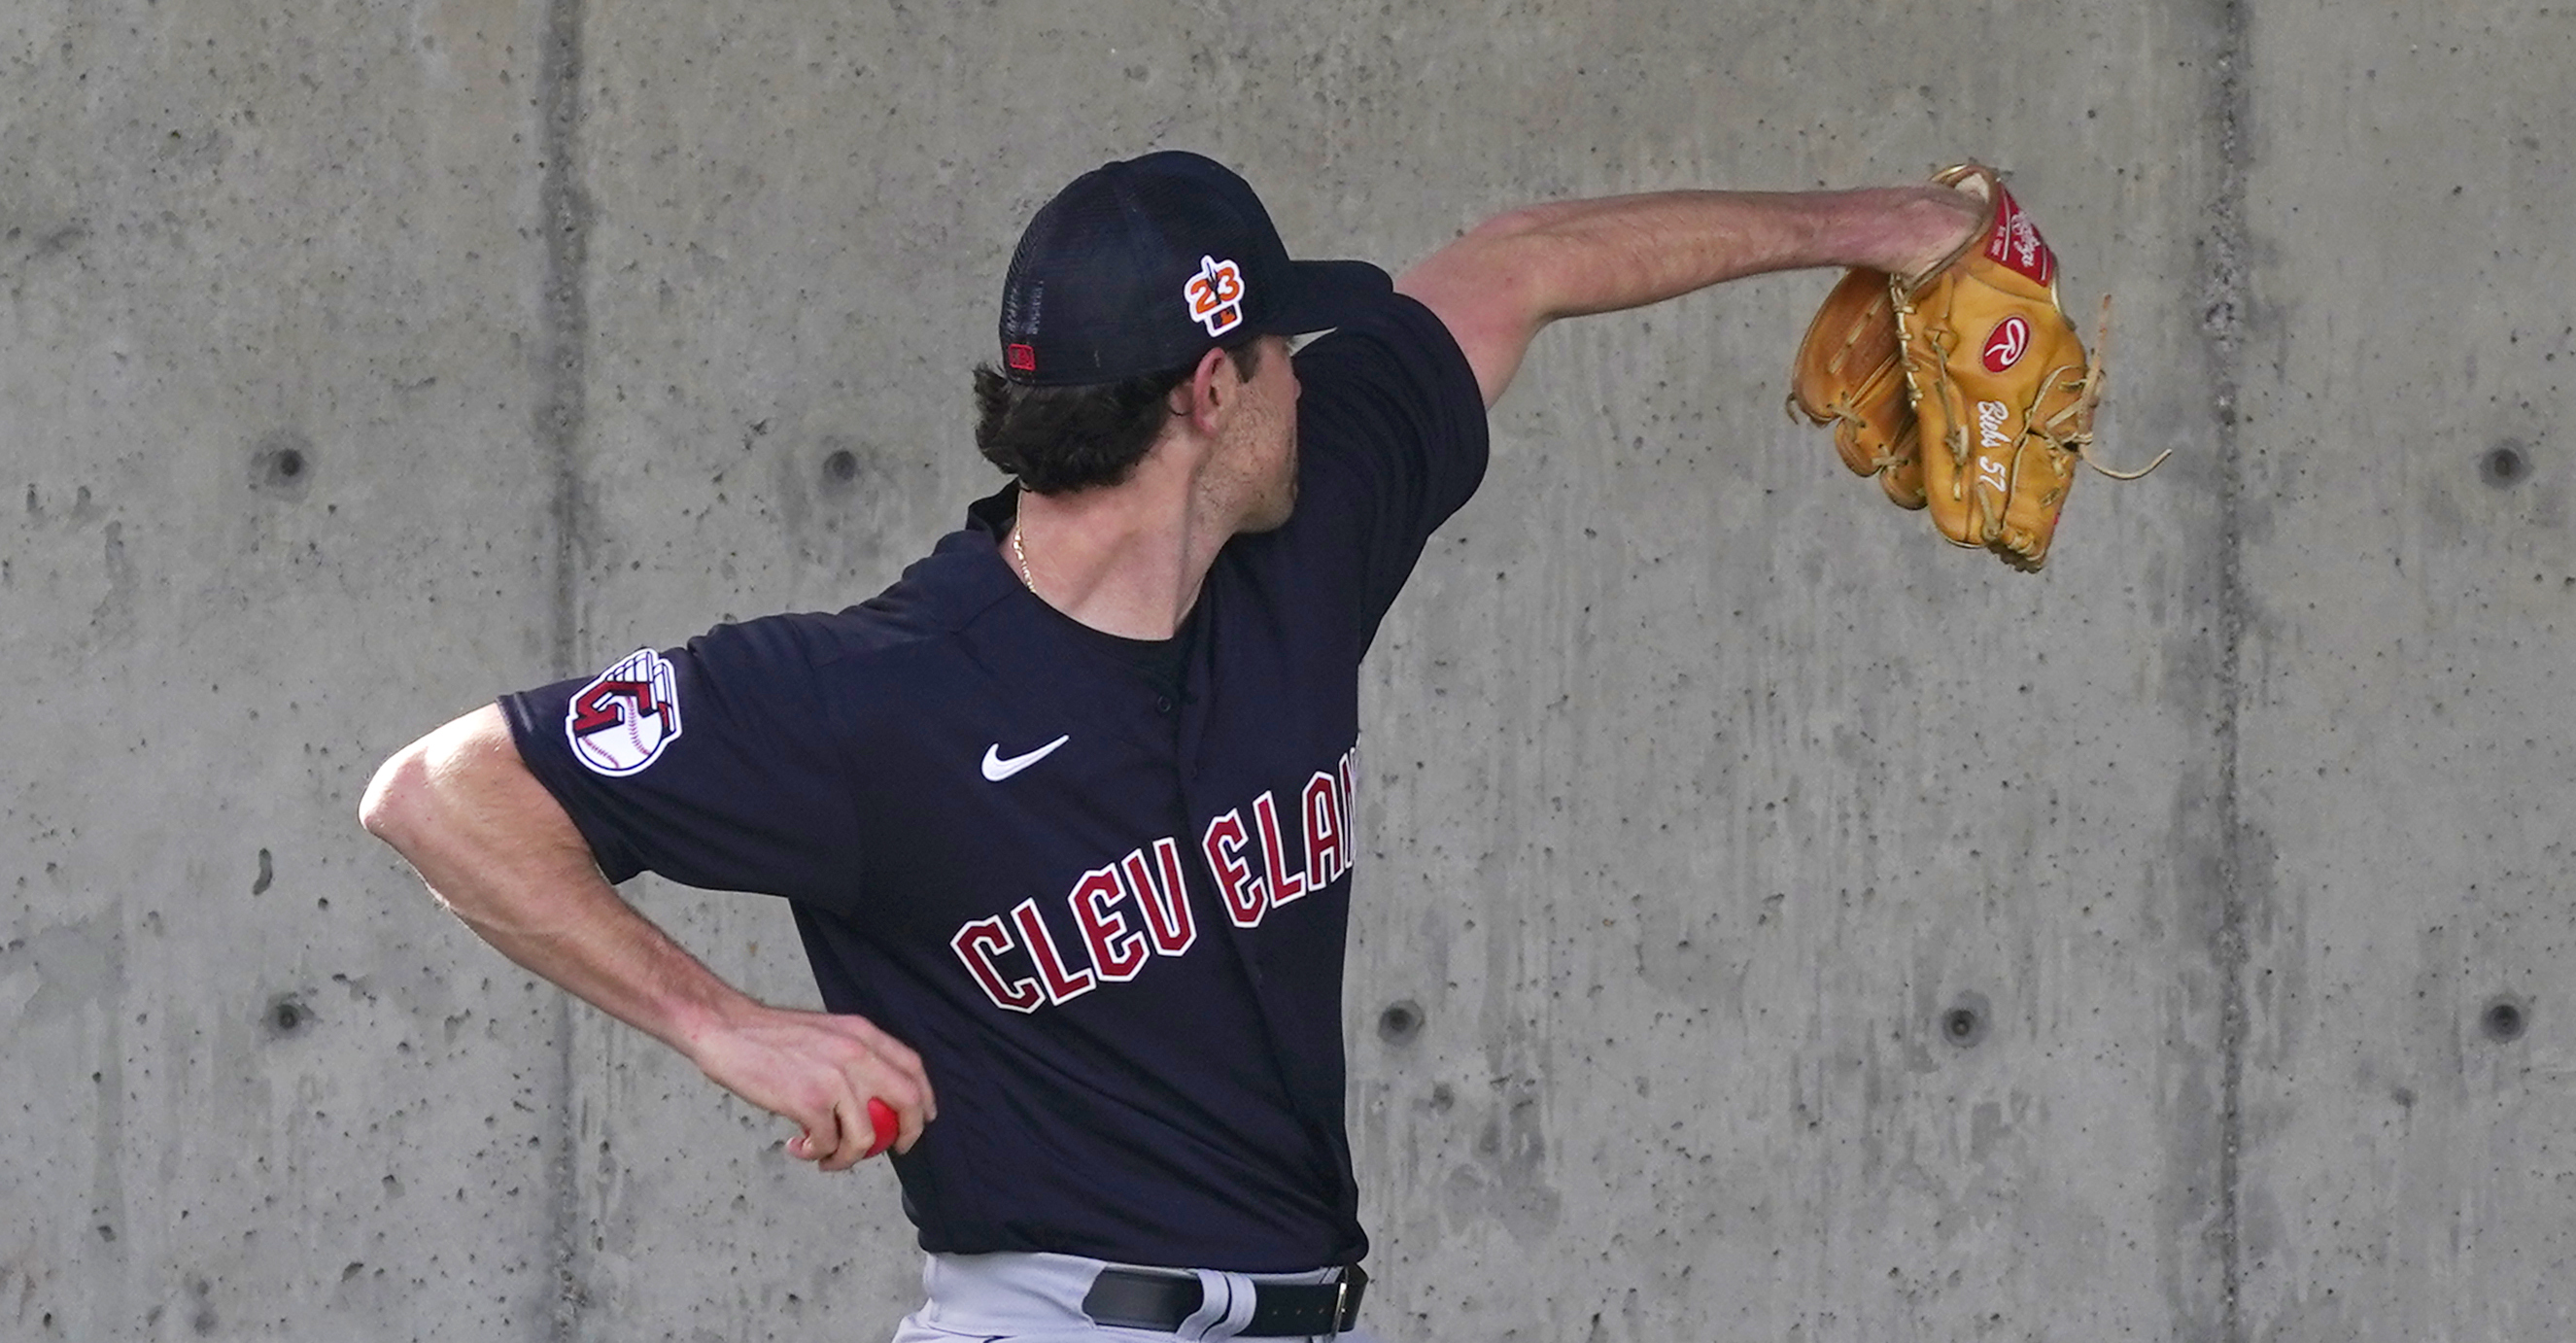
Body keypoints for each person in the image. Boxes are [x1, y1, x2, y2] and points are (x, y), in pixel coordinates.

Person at [360, 151, 1984, 1340]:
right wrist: (728, 1028)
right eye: (1285, 352)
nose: (1313, 380)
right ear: (1215, 389)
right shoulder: (881, 695)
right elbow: (438, 792)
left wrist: (1893, 229)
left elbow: (1521, 261)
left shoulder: (1304, 538)